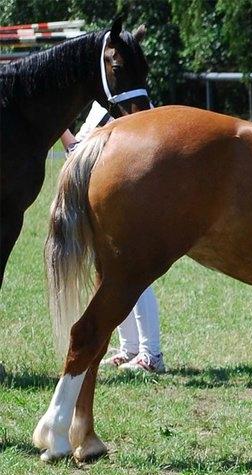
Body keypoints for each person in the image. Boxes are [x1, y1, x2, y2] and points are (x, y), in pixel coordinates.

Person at [60, 101, 166, 373]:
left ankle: (150, 353)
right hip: (106, 204)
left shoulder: (127, 107)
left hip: (127, 204)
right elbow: (77, 152)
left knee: (133, 278)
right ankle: (130, 347)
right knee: (113, 277)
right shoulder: (99, 109)